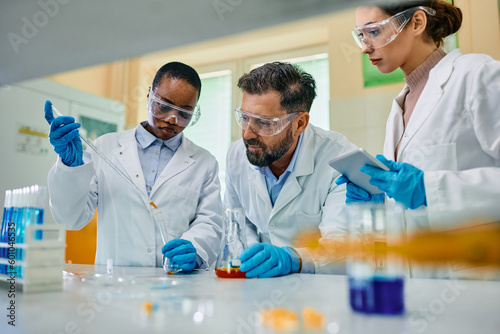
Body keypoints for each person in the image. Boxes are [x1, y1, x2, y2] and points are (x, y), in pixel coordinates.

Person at [338, 1, 500, 240]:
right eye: (361, 35)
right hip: (416, 270)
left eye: (373, 31)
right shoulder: (401, 105)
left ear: (416, 23)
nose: (364, 47)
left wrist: (429, 189)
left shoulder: (477, 75)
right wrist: (382, 198)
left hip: (473, 270)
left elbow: (430, 188)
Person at [45, 62, 223, 271]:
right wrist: (71, 167)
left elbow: (210, 222)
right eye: (164, 106)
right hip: (114, 285)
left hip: (175, 285)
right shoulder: (106, 146)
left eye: (184, 113)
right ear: (149, 95)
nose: (171, 120)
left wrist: (196, 248)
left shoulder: (204, 162)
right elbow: (70, 219)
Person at [224, 62, 358, 278]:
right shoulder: (238, 155)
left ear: (299, 124)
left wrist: (293, 259)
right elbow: (237, 222)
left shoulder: (339, 160)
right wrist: (250, 256)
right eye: (245, 118)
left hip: (322, 290)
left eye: (263, 123)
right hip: (260, 287)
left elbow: (341, 246)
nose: (248, 133)